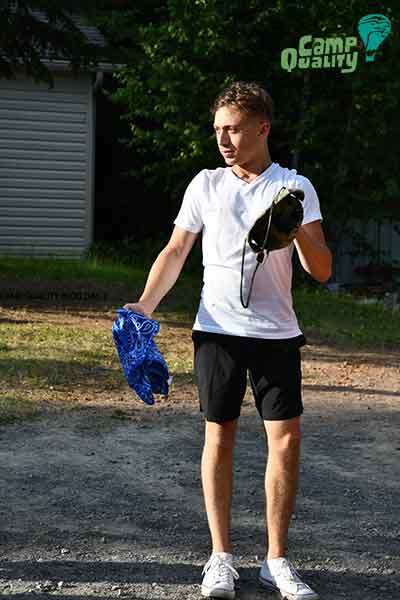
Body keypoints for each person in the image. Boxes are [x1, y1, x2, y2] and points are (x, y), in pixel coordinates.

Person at [124, 81, 332, 600]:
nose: (223, 138)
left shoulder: (296, 186)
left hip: (276, 335)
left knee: (285, 440)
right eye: (218, 129)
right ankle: (220, 559)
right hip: (216, 330)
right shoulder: (206, 185)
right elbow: (175, 251)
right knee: (220, 435)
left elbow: (323, 270)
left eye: (233, 128)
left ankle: (276, 562)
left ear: (262, 128)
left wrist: (298, 226)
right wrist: (143, 305)